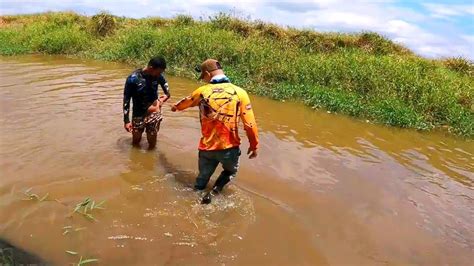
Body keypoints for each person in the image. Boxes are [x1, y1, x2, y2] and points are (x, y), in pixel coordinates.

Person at [171, 59, 259, 204]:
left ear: (207, 74)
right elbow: (250, 124)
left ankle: (196, 194)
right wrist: (254, 145)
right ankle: (213, 192)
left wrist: (175, 107)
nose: (204, 80)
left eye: (203, 77)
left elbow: (184, 103)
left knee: (202, 178)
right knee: (230, 171)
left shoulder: (202, 92)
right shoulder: (240, 93)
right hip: (229, 148)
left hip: (206, 147)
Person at [123, 56, 170, 149]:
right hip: (138, 112)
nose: (160, 74)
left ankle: (151, 161)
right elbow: (126, 100)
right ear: (151, 68)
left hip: (153, 112)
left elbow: (167, 94)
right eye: (159, 72)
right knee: (136, 141)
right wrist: (126, 121)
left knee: (152, 141)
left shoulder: (159, 77)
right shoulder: (133, 79)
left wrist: (161, 101)